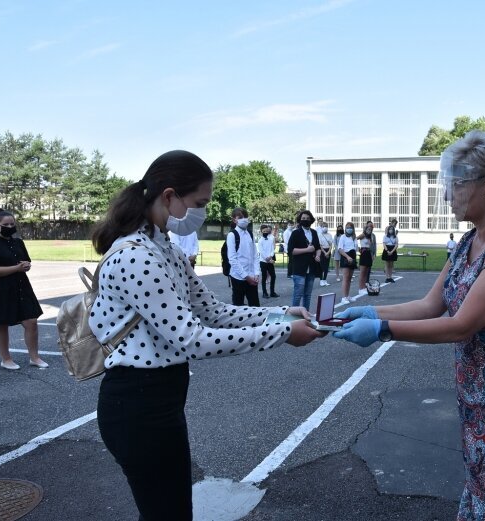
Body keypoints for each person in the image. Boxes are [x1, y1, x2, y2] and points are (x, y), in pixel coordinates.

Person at [333, 131, 485, 520]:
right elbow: (430, 305)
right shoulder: (468, 242)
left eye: (457, 184)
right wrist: (374, 314)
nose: (447, 195)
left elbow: (461, 325)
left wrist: (383, 332)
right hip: (481, 401)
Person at [89, 150, 323, 521]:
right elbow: (192, 338)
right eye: (198, 203)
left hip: (162, 400)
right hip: (137, 404)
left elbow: (214, 311)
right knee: (165, 514)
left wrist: (280, 312)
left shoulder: (162, 246)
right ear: (169, 196)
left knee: (174, 510)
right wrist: (282, 334)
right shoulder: (137, 256)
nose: (201, 212)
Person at [0, 208, 48, 370]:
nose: (10, 226)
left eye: (12, 223)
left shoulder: (19, 242)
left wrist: (26, 266)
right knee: (1, 324)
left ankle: (34, 357)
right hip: (1, 289)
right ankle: (6, 359)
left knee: (31, 321)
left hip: (21, 286)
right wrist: (17, 268)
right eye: (6, 224)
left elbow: (25, 262)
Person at [287, 210, 322, 309]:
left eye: (307, 219)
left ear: (311, 220)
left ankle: (305, 314)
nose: (305, 220)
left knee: (308, 294)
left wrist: (318, 255)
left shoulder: (314, 233)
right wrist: (307, 250)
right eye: (303, 219)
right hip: (299, 268)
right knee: (298, 294)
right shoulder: (296, 233)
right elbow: (291, 250)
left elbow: (318, 247)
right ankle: (294, 315)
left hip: (311, 267)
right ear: (300, 220)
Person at [226, 207, 260, 306]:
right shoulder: (232, 235)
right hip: (238, 277)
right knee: (238, 307)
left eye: (245, 216)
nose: (244, 219)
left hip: (252, 277)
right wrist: (246, 276)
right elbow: (232, 259)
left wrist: (256, 273)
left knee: (255, 306)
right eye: (240, 217)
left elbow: (255, 255)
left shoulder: (250, 233)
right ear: (234, 220)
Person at [337, 222, 358, 305]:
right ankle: (344, 297)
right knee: (345, 278)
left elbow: (355, 247)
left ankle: (347, 295)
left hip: (352, 257)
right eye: (347, 227)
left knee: (349, 278)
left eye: (351, 227)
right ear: (345, 229)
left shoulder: (354, 237)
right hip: (346, 256)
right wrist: (347, 257)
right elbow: (340, 249)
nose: (349, 229)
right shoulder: (343, 237)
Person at [257, 223, 279, 299]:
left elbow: (272, 249)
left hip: (270, 260)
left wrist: (270, 256)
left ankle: (272, 292)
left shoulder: (270, 239)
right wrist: (267, 259)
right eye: (264, 231)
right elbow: (261, 251)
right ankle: (264, 292)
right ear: (261, 232)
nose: (266, 232)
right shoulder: (260, 241)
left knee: (273, 276)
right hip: (263, 261)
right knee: (264, 277)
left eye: (267, 231)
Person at [357, 222, 375, 295]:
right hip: (363, 253)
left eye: (371, 229)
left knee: (366, 272)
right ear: (365, 229)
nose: (369, 230)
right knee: (362, 272)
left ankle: (364, 287)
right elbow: (355, 239)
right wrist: (357, 248)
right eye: (368, 228)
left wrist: (372, 255)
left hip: (368, 253)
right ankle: (360, 288)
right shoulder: (363, 235)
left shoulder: (370, 236)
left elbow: (371, 247)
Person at [317, 220, 334, 287]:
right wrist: (324, 252)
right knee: (321, 266)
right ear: (321, 227)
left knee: (326, 266)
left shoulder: (329, 235)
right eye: (324, 226)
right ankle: (321, 280)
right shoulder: (320, 235)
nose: (325, 228)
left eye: (326, 226)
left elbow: (331, 245)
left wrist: (328, 252)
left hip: (328, 251)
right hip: (322, 251)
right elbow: (320, 245)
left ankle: (325, 280)